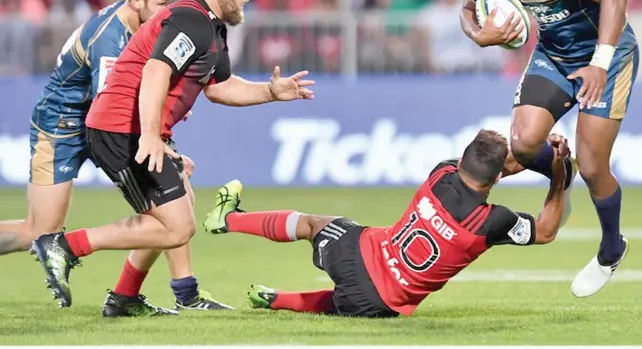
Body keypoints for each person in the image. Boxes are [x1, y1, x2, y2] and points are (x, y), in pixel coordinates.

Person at [0, 0, 232, 316]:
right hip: (62, 125)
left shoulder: (146, 25)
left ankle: (175, 294)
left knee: (171, 196)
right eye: (161, 6)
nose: (168, 13)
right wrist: (159, 140)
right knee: (39, 230)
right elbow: (111, 100)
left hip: (102, 122)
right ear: (136, 1)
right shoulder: (112, 37)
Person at [29, 0, 315, 310]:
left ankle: (126, 298)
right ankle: (63, 247)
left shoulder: (208, 26)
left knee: (172, 212)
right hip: (123, 129)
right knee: (177, 225)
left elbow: (220, 88)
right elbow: (156, 70)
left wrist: (270, 92)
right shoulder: (190, 18)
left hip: (130, 128)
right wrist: (151, 135)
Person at [458, 0, 637, 297]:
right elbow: (467, 12)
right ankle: (560, 170)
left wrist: (600, 64)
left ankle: (612, 248)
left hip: (606, 56)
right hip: (553, 55)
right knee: (522, 145)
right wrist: (478, 35)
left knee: (594, 167)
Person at [203, 130, 571, 318]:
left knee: (315, 224)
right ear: (495, 179)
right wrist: (557, 175)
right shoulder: (492, 221)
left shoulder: (440, 174)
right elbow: (547, 230)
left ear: (462, 160)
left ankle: (230, 219)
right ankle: (277, 300)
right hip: (382, 304)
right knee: (348, 301)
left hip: (355, 254)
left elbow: (490, 168)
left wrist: (533, 157)